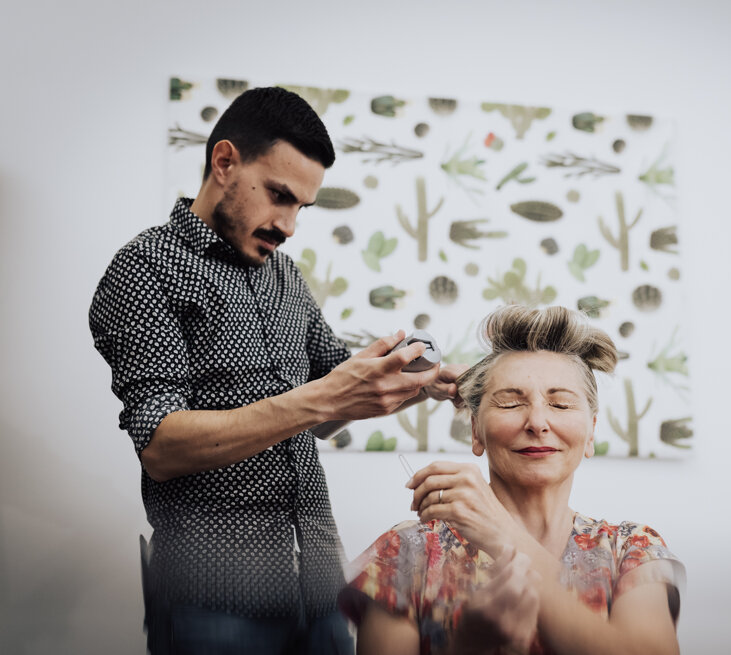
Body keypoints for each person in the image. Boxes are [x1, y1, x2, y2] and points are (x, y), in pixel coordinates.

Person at [89, 86, 465, 654]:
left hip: (318, 591)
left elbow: (332, 395)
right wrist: (325, 398)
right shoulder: (145, 269)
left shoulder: (285, 276)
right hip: (212, 603)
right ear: (224, 162)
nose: (287, 225)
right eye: (278, 195)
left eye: (300, 208)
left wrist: (424, 384)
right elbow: (162, 447)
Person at [340, 305, 685, 655]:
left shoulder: (632, 550)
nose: (537, 422)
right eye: (510, 403)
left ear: (591, 432)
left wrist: (502, 533)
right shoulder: (406, 553)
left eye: (561, 405)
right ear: (476, 431)